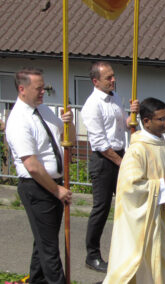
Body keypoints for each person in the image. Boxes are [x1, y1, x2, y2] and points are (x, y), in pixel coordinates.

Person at [103, 97, 165, 283]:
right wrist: (162, 183)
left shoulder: (160, 143)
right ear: (147, 122)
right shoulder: (137, 150)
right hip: (148, 222)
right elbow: (130, 188)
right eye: (162, 119)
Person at [6, 67, 75, 284]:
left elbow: (68, 140)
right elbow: (32, 165)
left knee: (44, 240)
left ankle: (35, 280)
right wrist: (57, 190)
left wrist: (69, 122)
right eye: (38, 88)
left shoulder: (44, 110)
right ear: (22, 89)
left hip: (53, 185)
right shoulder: (18, 120)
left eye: (43, 87)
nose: (43, 91)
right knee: (49, 248)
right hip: (37, 187)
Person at [81, 61, 139, 272]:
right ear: (96, 81)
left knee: (128, 202)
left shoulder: (115, 98)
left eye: (113, 76)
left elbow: (124, 124)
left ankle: (128, 249)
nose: (113, 80)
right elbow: (100, 144)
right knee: (102, 208)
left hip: (119, 155)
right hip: (104, 160)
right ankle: (92, 255)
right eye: (109, 78)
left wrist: (132, 114)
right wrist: (121, 162)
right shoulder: (92, 105)